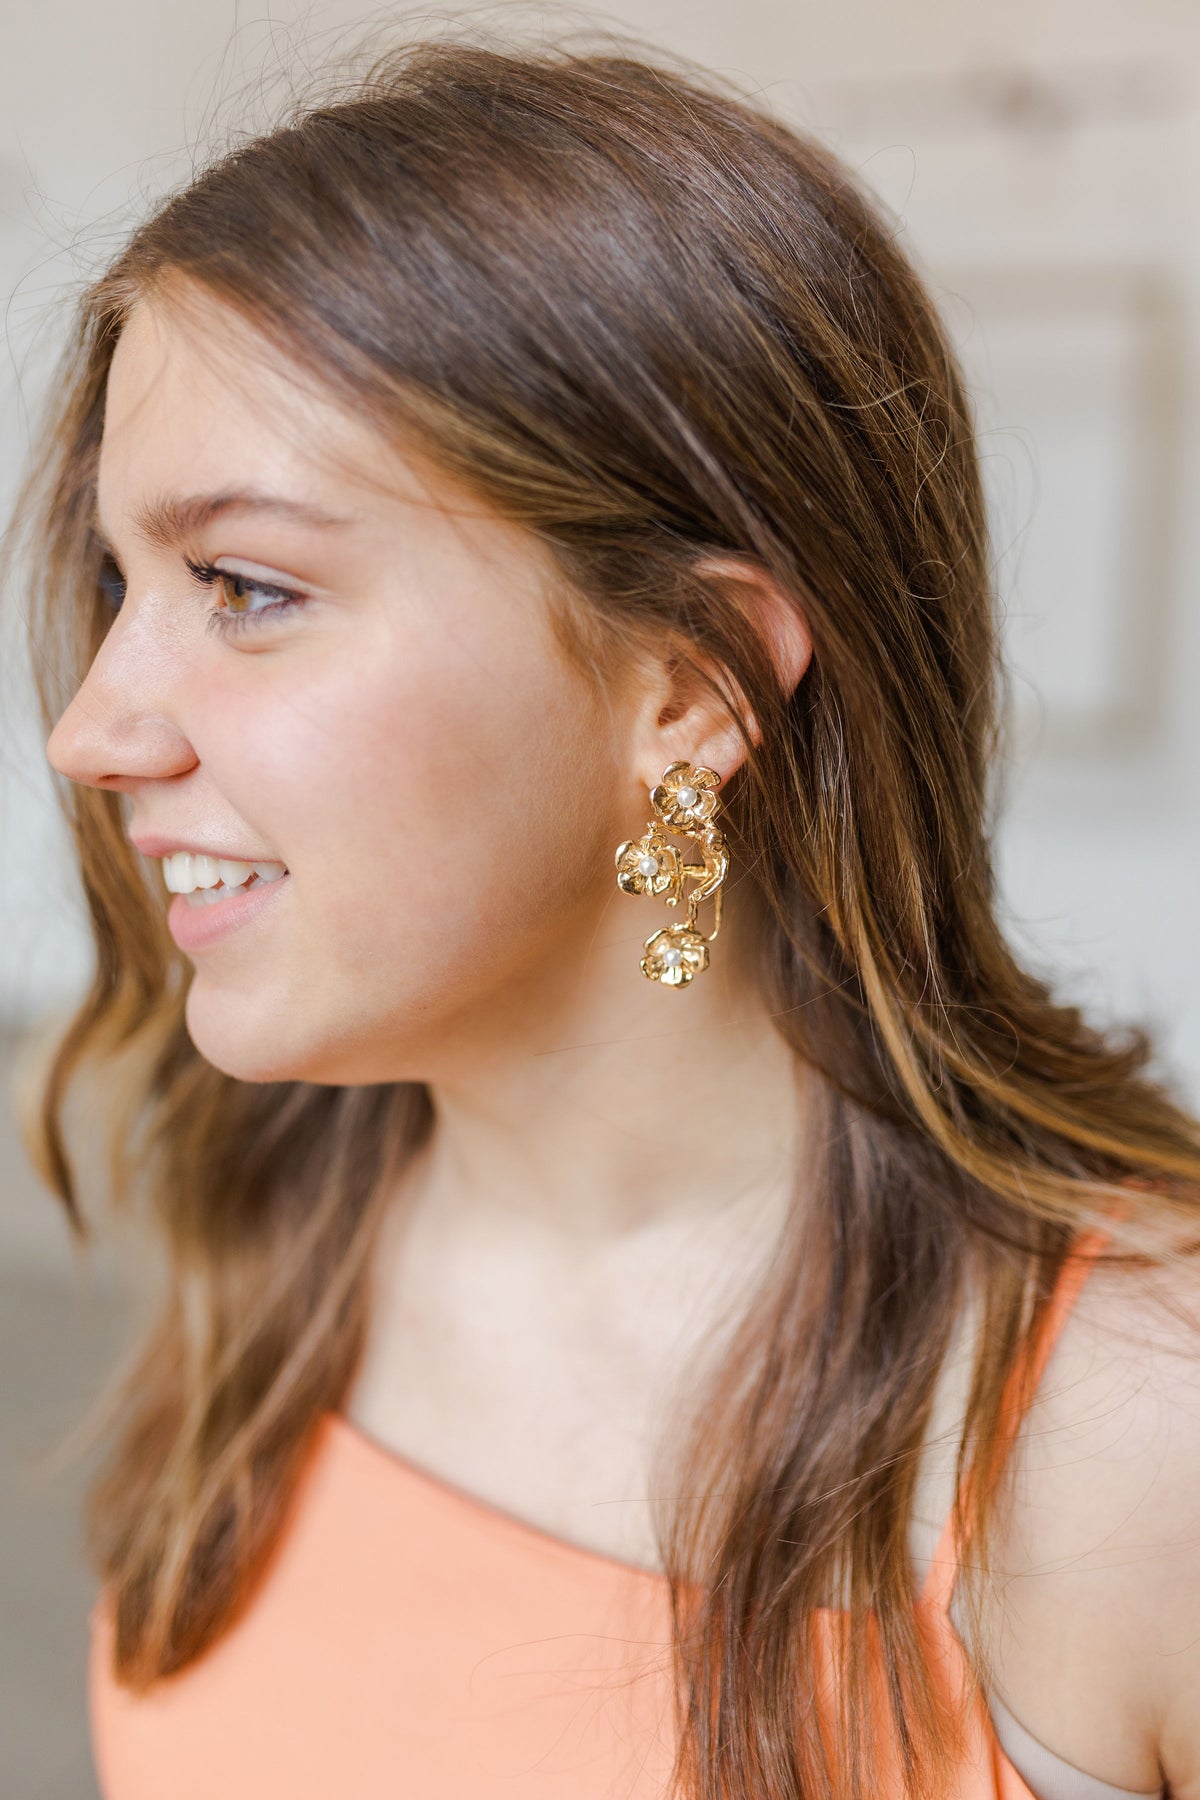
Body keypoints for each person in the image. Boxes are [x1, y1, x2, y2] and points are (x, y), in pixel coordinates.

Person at [8, 28, 1200, 1800]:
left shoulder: (1140, 1439)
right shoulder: (283, 1212)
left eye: (244, 586)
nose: (94, 730)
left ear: (691, 686)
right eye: (121, 582)